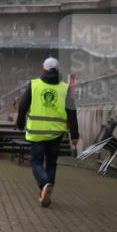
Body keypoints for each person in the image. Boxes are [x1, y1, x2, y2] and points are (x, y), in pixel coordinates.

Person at [16, 57, 79, 207]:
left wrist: (20, 123)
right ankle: (47, 189)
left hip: (37, 133)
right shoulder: (65, 88)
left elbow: (23, 106)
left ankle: (44, 185)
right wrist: (75, 135)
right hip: (56, 134)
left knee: (36, 161)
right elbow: (72, 113)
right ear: (58, 70)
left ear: (43, 69)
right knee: (51, 164)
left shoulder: (34, 84)